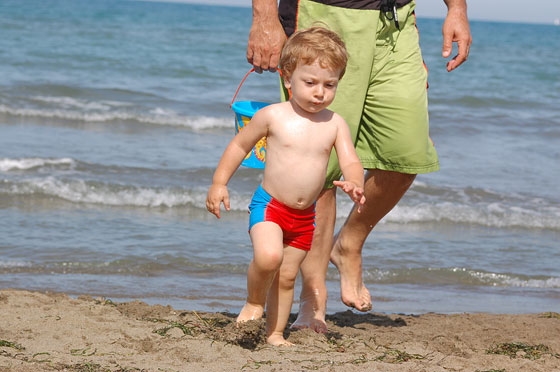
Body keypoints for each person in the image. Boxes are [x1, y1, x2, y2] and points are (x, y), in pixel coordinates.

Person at [246, 0, 472, 333]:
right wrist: (263, 15)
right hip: (322, 11)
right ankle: (313, 302)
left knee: (405, 151)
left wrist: (457, 8)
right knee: (322, 164)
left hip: (394, 23)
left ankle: (348, 244)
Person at [206, 26, 366, 346]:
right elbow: (239, 146)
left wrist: (355, 181)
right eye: (310, 83)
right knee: (268, 258)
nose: (319, 92)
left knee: (288, 276)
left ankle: (275, 333)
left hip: (304, 217)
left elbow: (350, 160)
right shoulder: (273, 116)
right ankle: (253, 303)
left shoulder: (334, 124)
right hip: (270, 205)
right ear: (288, 77)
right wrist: (219, 182)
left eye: (329, 84)